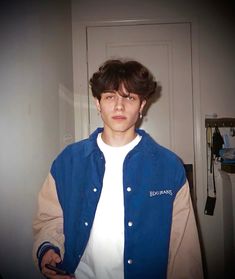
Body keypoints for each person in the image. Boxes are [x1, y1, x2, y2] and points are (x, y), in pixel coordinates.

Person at [33, 59, 203, 279]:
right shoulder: (68, 161)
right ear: (98, 103)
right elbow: (49, 218)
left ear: (142, 105)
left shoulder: (170, 167)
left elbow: (184, 250)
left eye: (130, 97)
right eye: (110, 96)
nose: (119, 106)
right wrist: (48, 249)